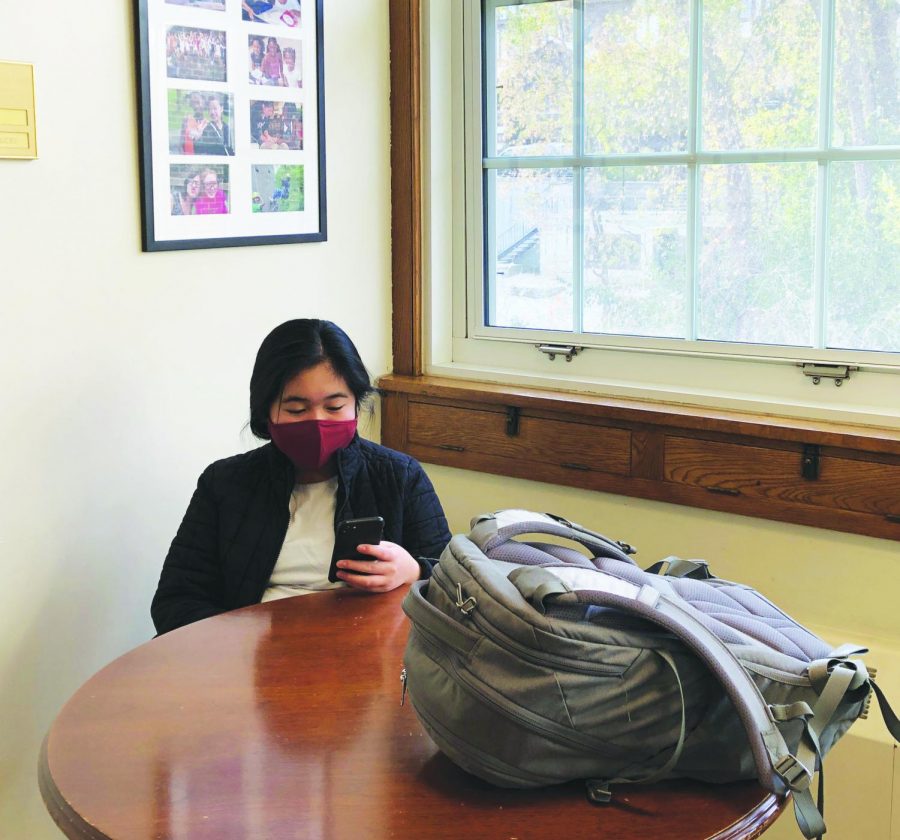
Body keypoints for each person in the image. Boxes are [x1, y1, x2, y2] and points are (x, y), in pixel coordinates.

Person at [151, 319, 451, 635]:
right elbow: (176, 599)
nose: (317, 422)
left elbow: (457, 586)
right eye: (296, 410)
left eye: (334, 406)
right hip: (249, 660)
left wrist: (414, 570)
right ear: (266, 411)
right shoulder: (224, 483)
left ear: (356, 407)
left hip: (364, 655)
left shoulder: (400, 476)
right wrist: (237, 646)